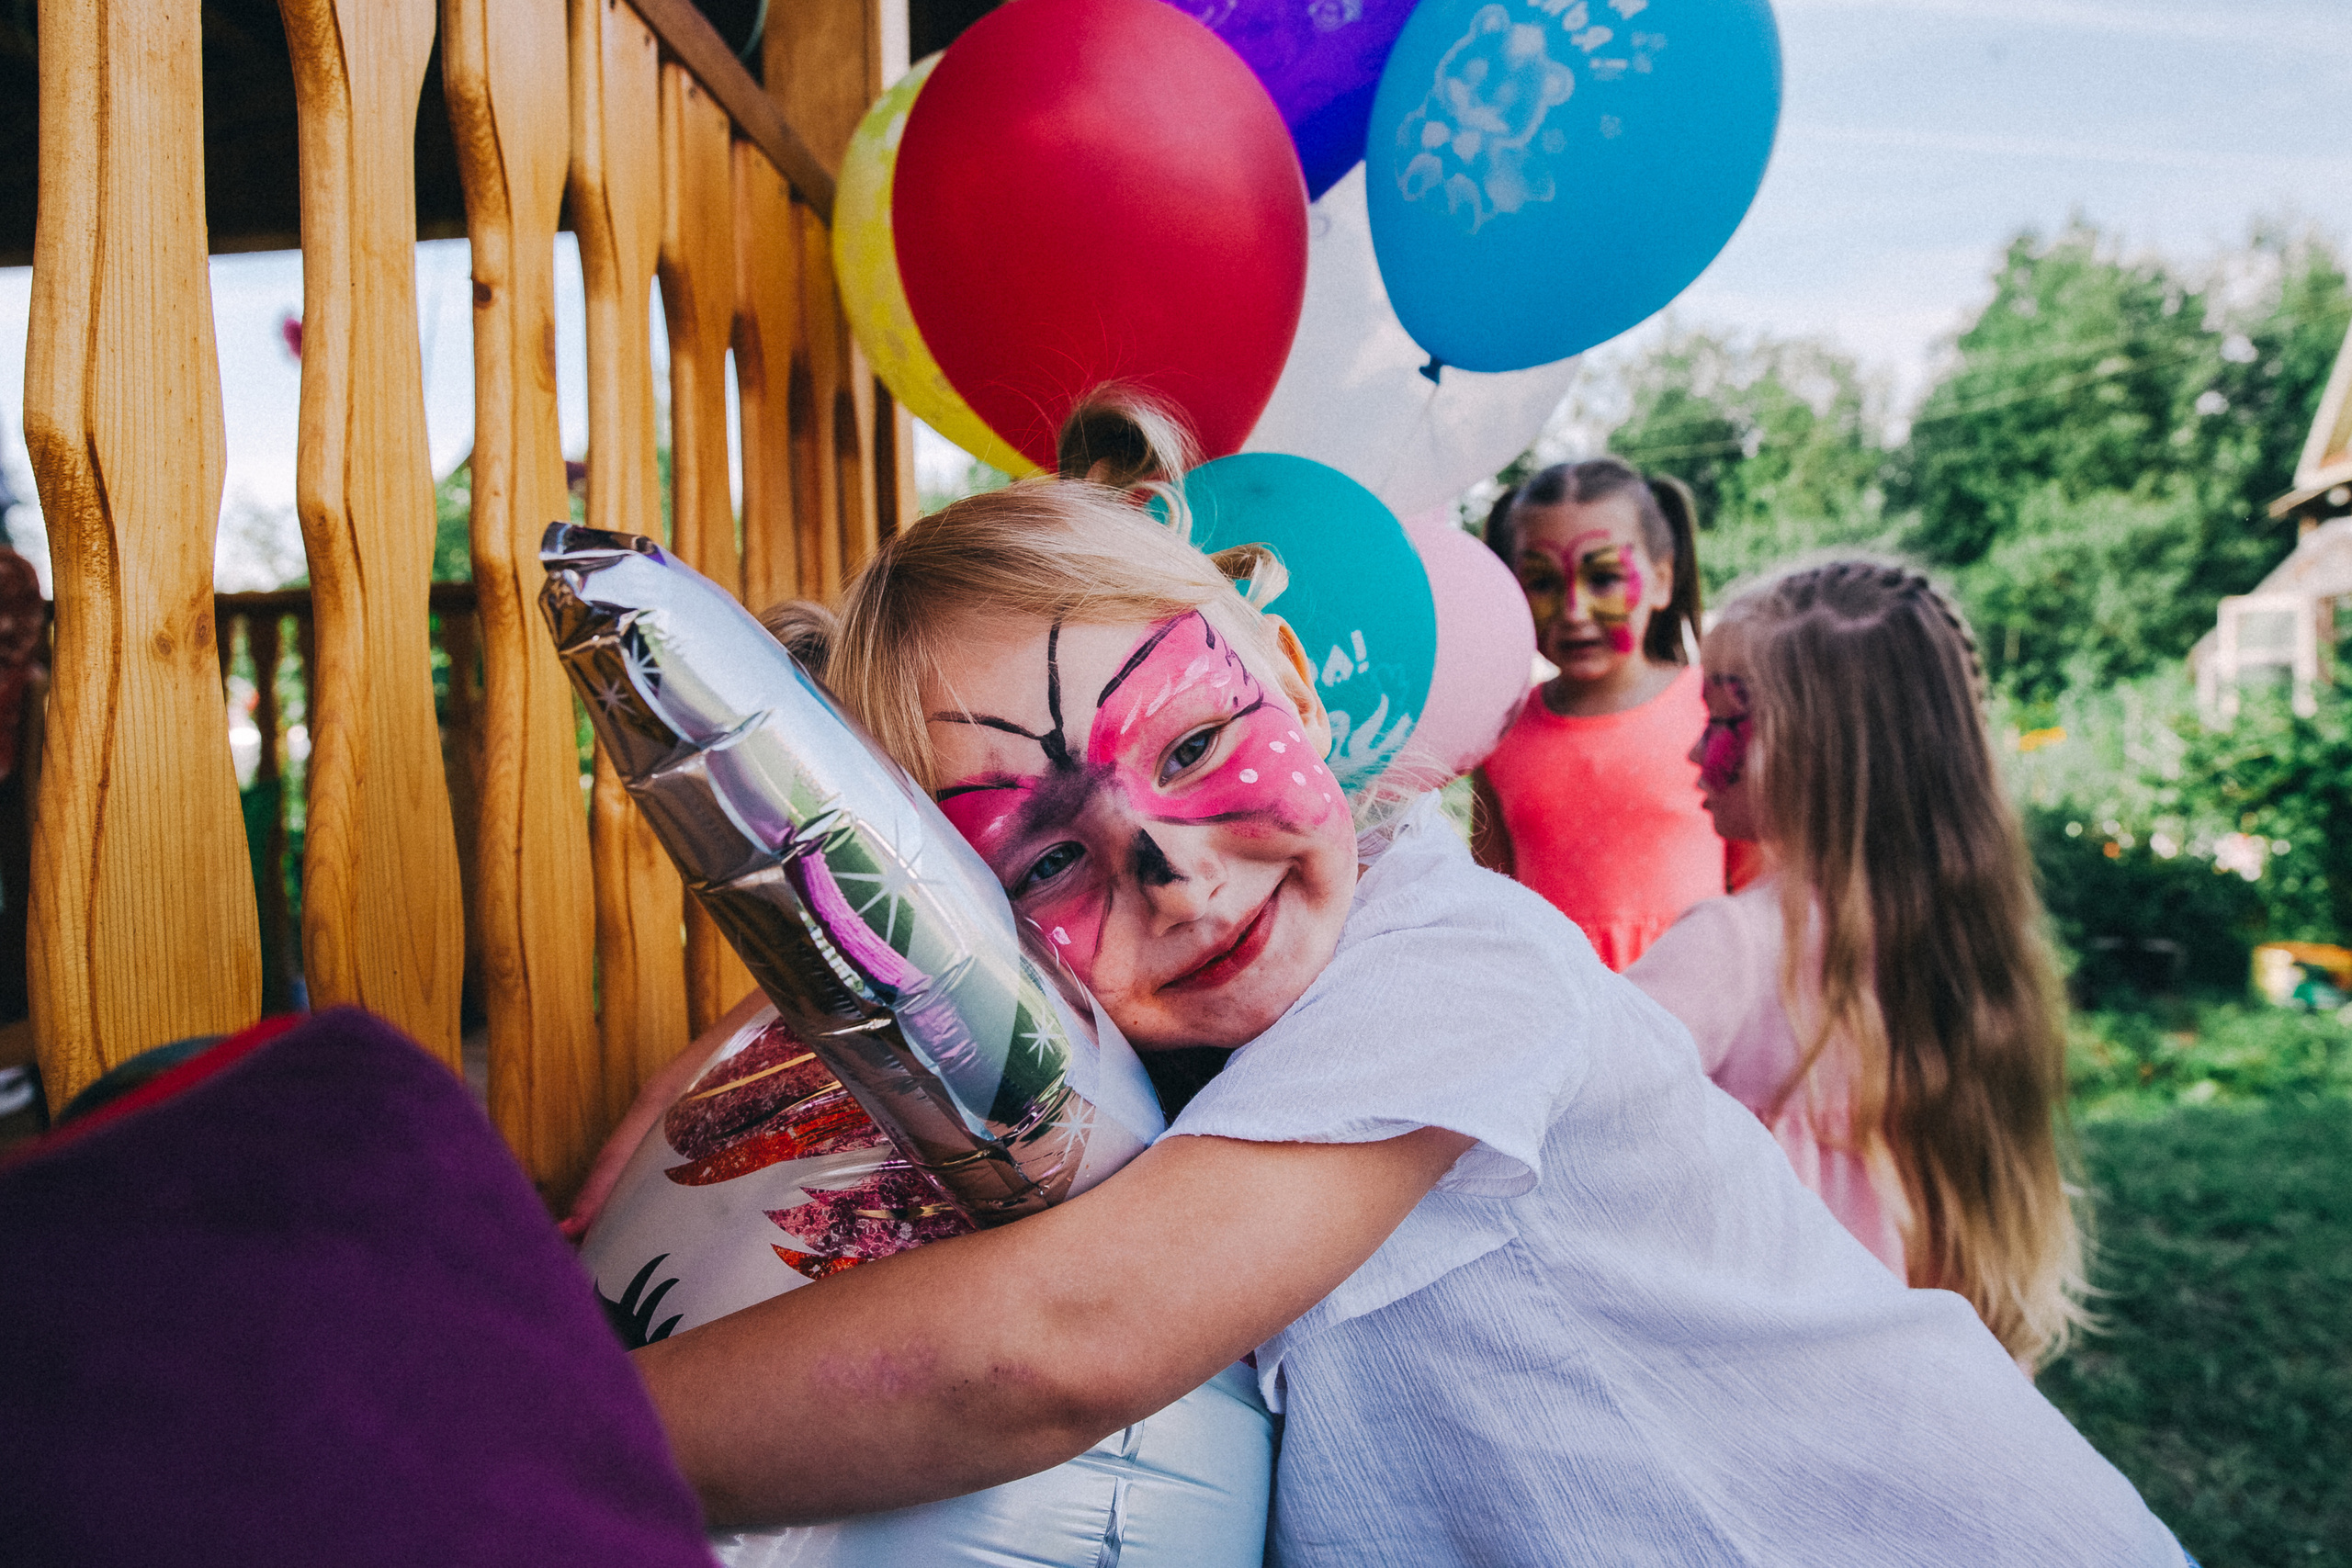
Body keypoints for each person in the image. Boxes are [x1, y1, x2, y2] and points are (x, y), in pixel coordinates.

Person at [616, 401, 2185, 1565]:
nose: (1165, 865)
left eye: (1197, 740)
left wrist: (540, 1421)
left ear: (1294, 684)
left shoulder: (1452, 964)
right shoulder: (1171, 1049)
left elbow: (1054, 1348)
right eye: (1037, 863)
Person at [1628, 559, 2086, 1371]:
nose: (1700, 749)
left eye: (1728, 716)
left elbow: (1574, 1106)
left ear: (1822, 748)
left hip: (1779, 1373)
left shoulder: (1733, 945)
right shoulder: (1960, 935)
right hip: (1925, 1374)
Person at [1472, 458, 1749, 970]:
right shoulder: (1500, 732)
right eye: (1543, 582)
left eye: (1604, 578)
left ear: (1663, 580)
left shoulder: (1717, 713)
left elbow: (1761, 886)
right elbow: (1489, 898)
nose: (1574, 610)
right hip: (1559, 1021)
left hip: (1698, 1021)